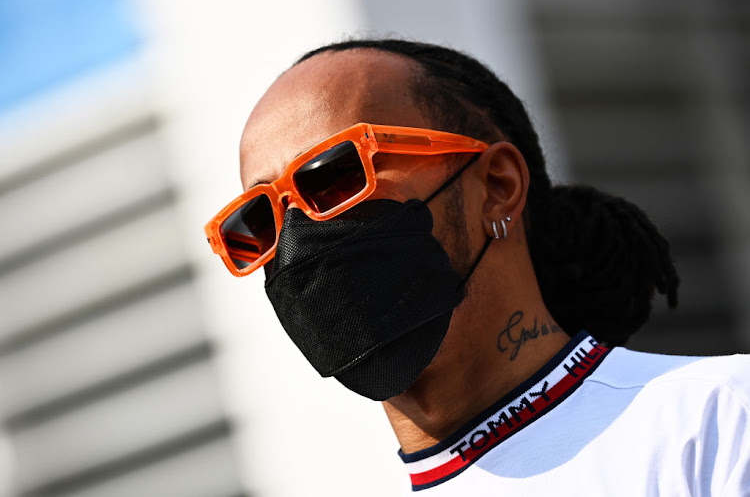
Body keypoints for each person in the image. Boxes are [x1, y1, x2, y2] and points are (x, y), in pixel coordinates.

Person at [205, 39, 750, 495]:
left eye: (335, 176)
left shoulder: (719, 421)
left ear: (497, 186)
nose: (299, 240)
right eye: (258, 221)